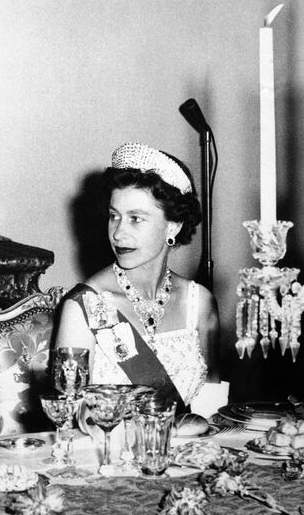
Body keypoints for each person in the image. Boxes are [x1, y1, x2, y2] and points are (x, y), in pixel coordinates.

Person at [55, 142, 220, 410]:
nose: (118, 233)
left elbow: (211, 411)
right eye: (114, 216)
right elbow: (68, 418)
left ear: (174, 224)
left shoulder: (199, 304)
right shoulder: (82, 307)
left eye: (136, 218)